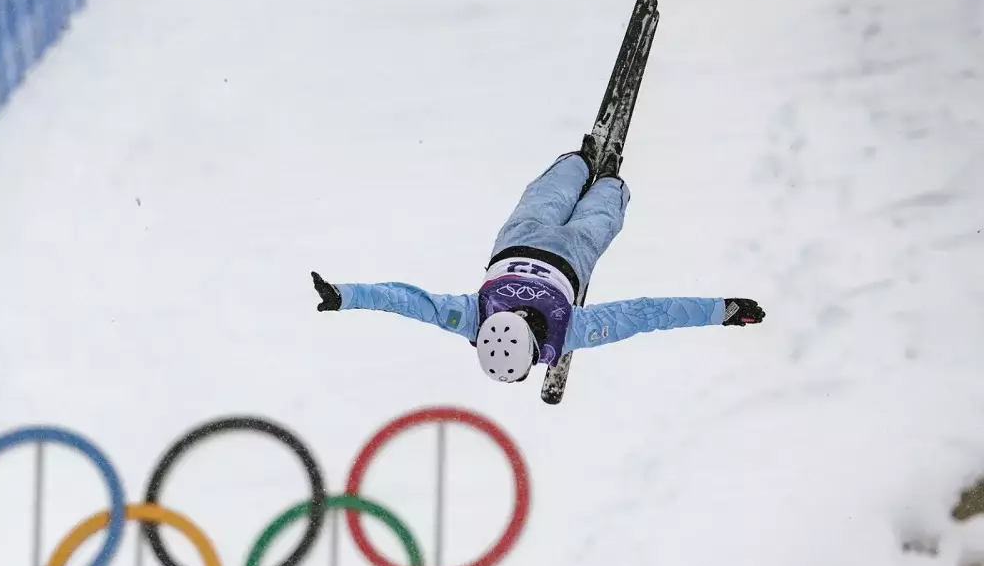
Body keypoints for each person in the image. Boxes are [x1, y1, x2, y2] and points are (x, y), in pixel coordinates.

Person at [310, 134, 765, 384]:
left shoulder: (567, 332)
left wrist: (723, 311)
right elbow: (409, 301)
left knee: (599, 215)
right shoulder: (468, 317)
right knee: (549, 197)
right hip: (523, 238)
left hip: (569, 255)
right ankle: (581, 164)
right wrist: (344, 296)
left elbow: (642, 315)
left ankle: (606, 181)